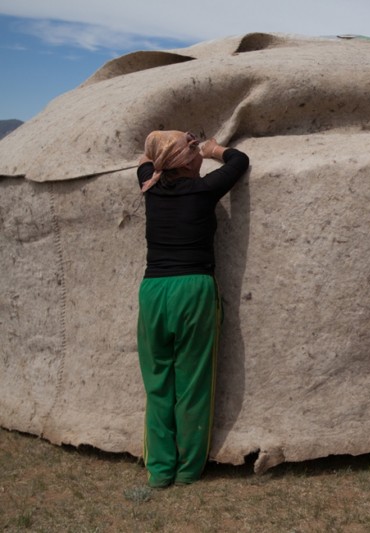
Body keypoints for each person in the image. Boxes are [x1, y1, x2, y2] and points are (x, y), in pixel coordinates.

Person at [135, 130, 250, 488]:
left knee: (158, 383)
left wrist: (163, 153)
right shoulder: (203, 189)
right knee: (192, 382)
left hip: (153, 291)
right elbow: (239, 161)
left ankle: (159, 470)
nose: (200, 154)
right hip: (193, 290)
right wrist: (216, 148)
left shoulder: (150, 187)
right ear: (186, 162)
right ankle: (187, 470)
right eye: (194, 150)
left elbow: (144, 161)